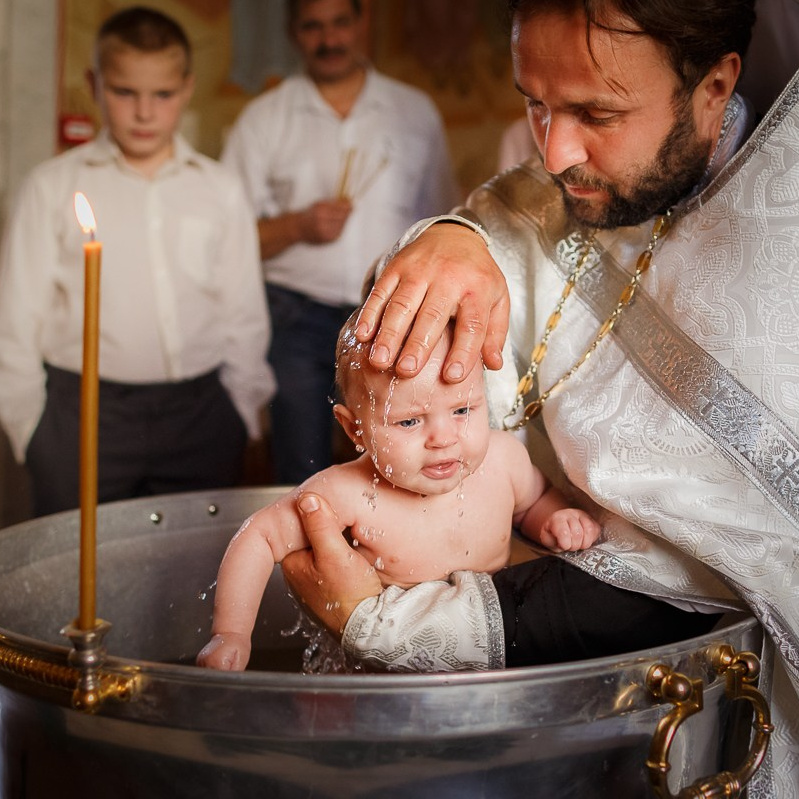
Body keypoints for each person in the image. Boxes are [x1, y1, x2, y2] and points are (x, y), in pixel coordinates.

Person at [280, 1, 799, 795]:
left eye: (596, 112)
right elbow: (497, 233)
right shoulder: (549, 190)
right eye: (534, 103)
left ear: (714, 84)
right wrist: (456, 237)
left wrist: (401, 627)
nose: (553, 153)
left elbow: (720, 568)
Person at [197, 313, 600, 671]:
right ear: (355, 428)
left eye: (462, 410)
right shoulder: (346, 492)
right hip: (384, 672)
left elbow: (533, 501)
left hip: (490, 649)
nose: (443, 438)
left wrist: (553, 517)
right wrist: (231, 633)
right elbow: (259, 536)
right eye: (409, 422)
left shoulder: (504, 459)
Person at [0, 6, 275, 517]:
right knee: (79, 580)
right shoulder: (52, 186)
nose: (144, 113)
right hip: (81, 415)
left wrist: (240, 412)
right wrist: (31, 431)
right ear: (95, 84)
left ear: (188, 88)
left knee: (191, 574)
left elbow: (242, 311)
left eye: (162, 95)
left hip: (201, 415)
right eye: (125, 92)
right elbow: (13, 321)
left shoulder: (219, 189)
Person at [221, 0, 460, 485]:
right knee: (300, 469)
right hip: (293, 318)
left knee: (400, 463)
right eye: (313, 27)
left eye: (339, 23)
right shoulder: (262, 119)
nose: (328, 39)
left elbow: (442, 223)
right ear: (293, 32)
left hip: (393, 315)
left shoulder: (414, 112)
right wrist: (297, 227)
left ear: (362, 21)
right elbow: (224, 246)